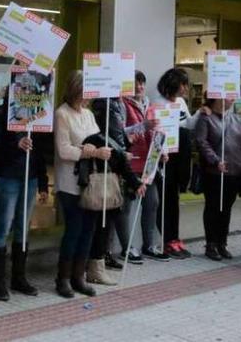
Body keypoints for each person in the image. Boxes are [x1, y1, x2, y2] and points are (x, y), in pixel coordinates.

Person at [0, 88, 50, 301]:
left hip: (30, 177)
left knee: (23, 228)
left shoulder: (38, 114)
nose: (24, 90)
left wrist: (42, 181)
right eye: (20, 87)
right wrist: (16, 144)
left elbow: (40, 150)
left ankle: (19, 278)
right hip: (7, 176)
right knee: (3, 227)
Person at [54, 70, 111, 298]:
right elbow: (63, 149)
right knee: (74, 230)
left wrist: (104, 150)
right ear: (75, 90)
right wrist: (89, 152)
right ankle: (63, 278)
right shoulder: (62, 114)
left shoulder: (88, 114)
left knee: (88, 230)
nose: (88, 97)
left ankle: (80, 276)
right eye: (84, 92)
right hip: (69, 182)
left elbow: (97, 139)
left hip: (90, 182)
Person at [153, 68, 203, 259]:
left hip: (180, 154)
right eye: (183, 84)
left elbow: (188, 124)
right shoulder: (158, 103)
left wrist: (199, 113)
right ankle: (166, 239)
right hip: (164, 156)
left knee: (174, 198)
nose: (185, 88)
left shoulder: (181, 102)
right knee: (164, 199)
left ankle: (174, 237)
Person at [195, 96, 241, 261]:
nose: (232, 99)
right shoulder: (206, 118)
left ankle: (222, 243)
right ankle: (211, 243)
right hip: (214, 173)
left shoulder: (237, 119)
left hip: (234, 172)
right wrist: (215, 160)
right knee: (213, 208)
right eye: (228, 96)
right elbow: (201, 142)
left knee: (226, 208)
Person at [122, 71, 169, 261]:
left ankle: (149, 245)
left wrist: (162, 150)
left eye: (142, 83)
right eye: (135, 84)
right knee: (127, 208)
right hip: (130, 163)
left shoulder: (150, 105)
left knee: (152, 203)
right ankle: (128, 247)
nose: (140, 87)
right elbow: (122, 132)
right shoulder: (122, 104)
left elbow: (158, 130)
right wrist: (144, 126)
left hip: (149, 163)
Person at [90, 96, 131, 274]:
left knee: (111, 213)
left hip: (115, 162)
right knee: (102, 217)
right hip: (105, 165)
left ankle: (103, 255)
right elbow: (108, 135)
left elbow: (119, 133)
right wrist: (120, 154)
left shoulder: (118, 103)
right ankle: (98, 258)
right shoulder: (104, 105)